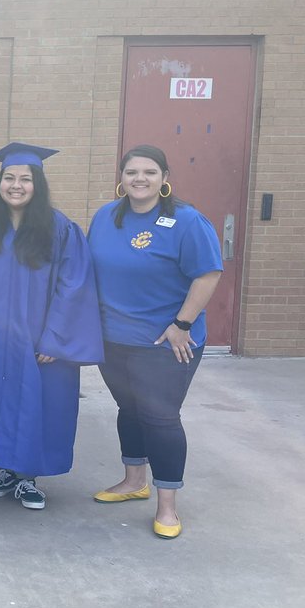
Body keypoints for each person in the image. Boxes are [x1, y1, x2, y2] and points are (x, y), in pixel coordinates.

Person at [88, 144, 222, 539]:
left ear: (165, 179)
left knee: (160, 418)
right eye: (132, 172)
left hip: (166, 341)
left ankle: (167, 506)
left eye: (149, 172)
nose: (139, 179)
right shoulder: (105, 217)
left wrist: (183, 323)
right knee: (129, 409)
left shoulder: (186, 221)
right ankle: (133, 482)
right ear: (122, 178)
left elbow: (207, 275)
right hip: (114, 339)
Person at [0, 143, 103, 511]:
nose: (16, 185)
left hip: (39, 338)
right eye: (9, 178)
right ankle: (5, 469)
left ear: (37, 184)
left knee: (36, 403)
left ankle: (28, 478)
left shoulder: (59, 229)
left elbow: (75, 286)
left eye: (25, 179)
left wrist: (55, 340)